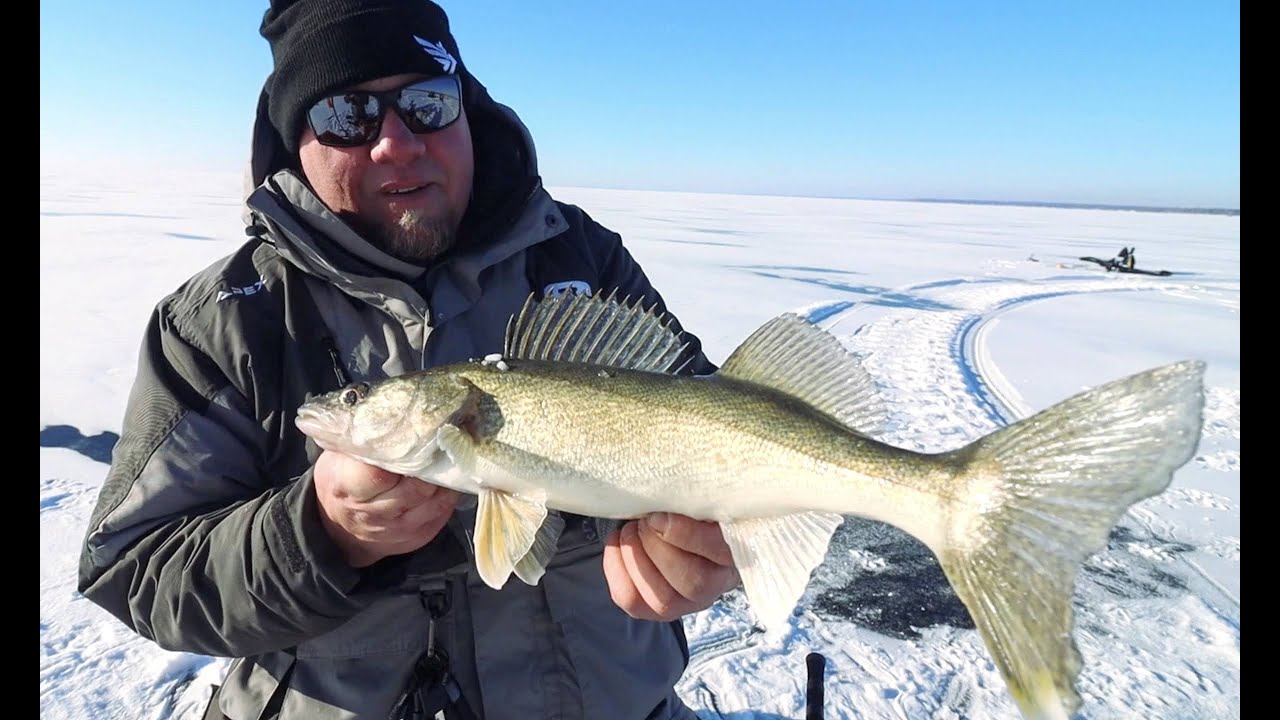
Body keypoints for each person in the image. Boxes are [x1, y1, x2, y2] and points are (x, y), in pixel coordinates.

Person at [75, 1, 741, 718]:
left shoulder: (579, 257)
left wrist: (715, 544)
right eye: (346, 114)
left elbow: (722, 436)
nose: (396, 143)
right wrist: (316, 534)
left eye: (428, 102)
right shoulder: (226, 320)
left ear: (467, 111)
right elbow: (135, 570)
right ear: (296, 139)